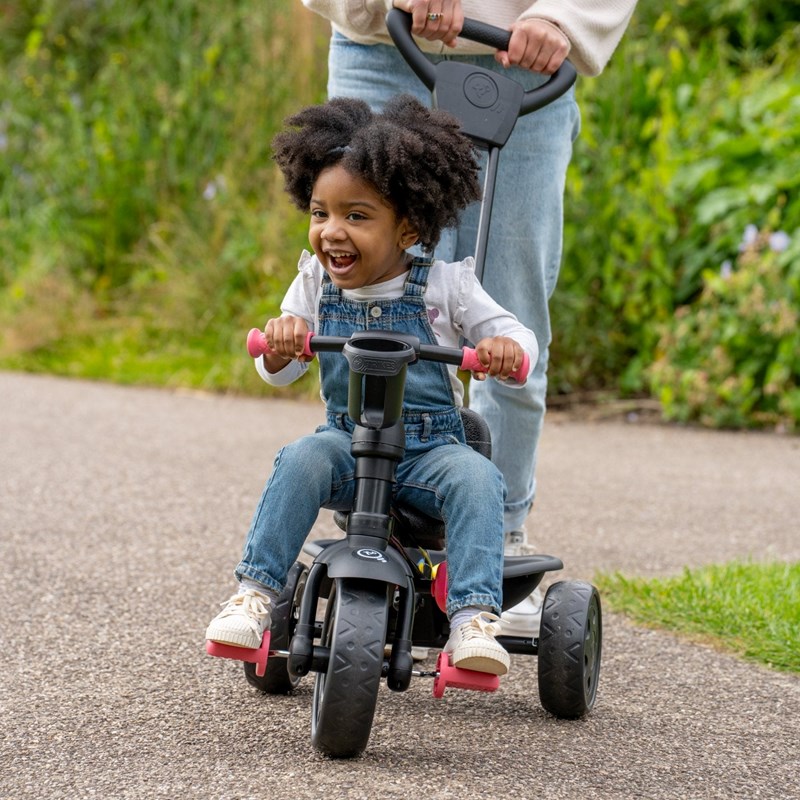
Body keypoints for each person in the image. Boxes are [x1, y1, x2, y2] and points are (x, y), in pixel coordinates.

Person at [300, 0, 638, 637]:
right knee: (364, 306)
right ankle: (377, 516)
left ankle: (498, 535)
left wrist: (564, 20)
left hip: (526, 80)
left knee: (511, 324)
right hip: (382, 54)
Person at [206, 94, 539, 676]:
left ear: (407, 227)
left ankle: (472, 618)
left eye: (356, 216)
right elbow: (276, 370)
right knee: (300, 459)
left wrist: (506, 350)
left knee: (479, 477)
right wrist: (284, 341)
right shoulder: (313, 283)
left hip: (431, 450)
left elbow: (518, 339)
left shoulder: (445, 287)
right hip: (348, 444)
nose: (332, 232)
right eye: (319, 213)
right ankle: (255, 595)